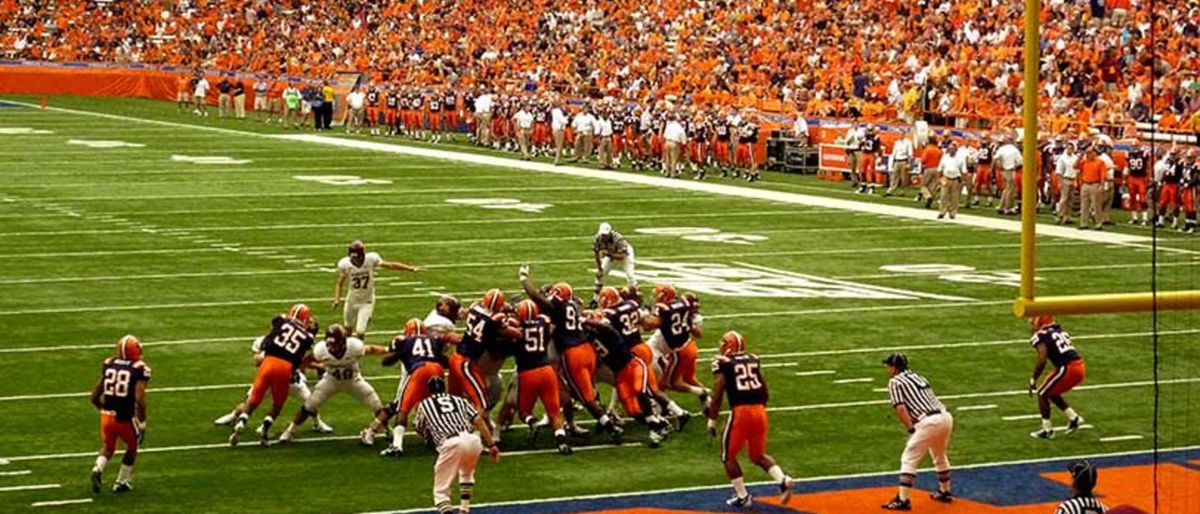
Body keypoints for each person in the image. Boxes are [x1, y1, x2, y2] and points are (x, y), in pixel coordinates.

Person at [518, 266, 624, 441]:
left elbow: (537, 299)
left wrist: (524, 279)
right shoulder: (573, 305)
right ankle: (604, 420)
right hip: (587, 350)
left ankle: (610, 426)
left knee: (584, 396)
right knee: (588, 391)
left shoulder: (556, 306)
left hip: (572, 353)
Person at [705, 331, 795, 508]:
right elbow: (764, 386)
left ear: (727, 345)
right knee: (757, 455)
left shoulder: (723, 362)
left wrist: (712, 419)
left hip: (741, 411)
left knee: (727, 455)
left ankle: (743, 496)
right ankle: (782, 479)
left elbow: (718, 390)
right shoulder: (753, 358)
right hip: (760, 410)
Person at [278, 325, 389, 443]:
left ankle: (388, 429)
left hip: (353, 381)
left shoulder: (354, 346)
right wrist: (296, 368)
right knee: (309, 405)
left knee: (376, 405)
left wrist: (388, 350)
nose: (333, 347)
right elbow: (308, 360)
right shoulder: (321, 349)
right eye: (330, 344)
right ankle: (290, 430)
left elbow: (370, 349)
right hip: (331, 381)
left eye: (336, 344)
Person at [227, 304, 318, 447]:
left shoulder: (280, 320)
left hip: (268, 362)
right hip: (285, 367)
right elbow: (302, 359)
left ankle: (242, 420)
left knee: (255, 397)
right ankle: (264, 428)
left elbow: (271, 334)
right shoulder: (308, 338)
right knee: (277, 404)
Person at [414, 376, 501, 514]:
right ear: (445, 388)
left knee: (440, 491)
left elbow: (419, 427)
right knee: (466, 474)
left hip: (451, 442)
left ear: (429, 391)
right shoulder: (460, 400)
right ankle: (465, 509)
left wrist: (430, 435)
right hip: (473, 440)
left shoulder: (425, 404)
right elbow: (478, 420)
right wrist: (491, 445)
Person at [881, 352, 954, 510]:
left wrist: (910, 428)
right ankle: (945, 491)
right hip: (945, 417)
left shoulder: (895, 382)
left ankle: (903, 500)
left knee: (909, 458)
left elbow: (900, 407)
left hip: (928, 421)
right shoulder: (919, 377)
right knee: (940, 454)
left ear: (894, 368)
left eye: (888, 366)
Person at [371, 319, 451, 457]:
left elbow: (387, 361)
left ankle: (397, 446)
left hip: (419, 370)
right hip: (436, 369)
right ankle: (441, 439)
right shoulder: (433, 339)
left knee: (403, 408)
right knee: (436, 405)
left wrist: (400, 354)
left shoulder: (404, 341)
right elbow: (444, 361)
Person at [505, 300, 572, 454]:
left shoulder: (517, 328)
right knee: (554, 411)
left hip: (527, 373)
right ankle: (561, 441)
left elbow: (509, 344)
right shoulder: (544, 323)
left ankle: (532, 421)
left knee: (524, 412)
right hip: (546, 370)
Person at [90, 335, 150, 494]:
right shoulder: (138, 368)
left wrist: (103, 408)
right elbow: (140, 399)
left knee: (108, 447)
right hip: (125, 416)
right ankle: (121, 482)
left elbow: (94, 396)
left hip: (106, 415)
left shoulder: (109, 363)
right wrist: (142, 421)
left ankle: (98, 468)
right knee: (132, 447)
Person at [332, 240, 424, 339]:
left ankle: (358, 349)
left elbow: (390, 265)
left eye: (358, 258)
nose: (356, 261)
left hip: (366, 301)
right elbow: (340, 282)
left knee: (360, 332)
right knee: (347, 329)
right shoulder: (345, 264)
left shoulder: (371, 259)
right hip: (352, 300)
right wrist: (337, 298)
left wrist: (410, 268)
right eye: (354, 259)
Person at [1028, 316, 1086, 439]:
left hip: (1068, 368)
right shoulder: (1059, 331)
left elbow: (1042, 358)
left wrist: (1034, 378)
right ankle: (1074, 418)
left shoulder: (1041, 335)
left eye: (1035, 319)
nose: (1032, 321)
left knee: (1042, 393)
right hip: (1078, 366)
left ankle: (1047, 430)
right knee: (1050, 392)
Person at [592, 222, 636, 302]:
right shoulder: (598, 238)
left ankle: (635, 297)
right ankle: (595, 299)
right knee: (600, 275)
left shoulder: (618, 239)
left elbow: (622, 256)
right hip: (611, 253)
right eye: (602, 235)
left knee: (630, 275)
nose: (604, 237)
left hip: (625, 255)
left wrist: (608, 254)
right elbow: (596, 253)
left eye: (605, 235)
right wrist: (599, 269)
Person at [1076, 146, 1108, 230]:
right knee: (1084, 205)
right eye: (1087, 153)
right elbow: (1075, 166)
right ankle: (1084, 223)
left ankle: (1098, 223)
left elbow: (1103, 175)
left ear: (1094, 153)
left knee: (1096, 205)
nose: (1088, 155)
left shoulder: (1100, 162)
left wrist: (1102, 185)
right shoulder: (1084, 161)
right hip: (1085, 184)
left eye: (1089, 153)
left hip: (1095, 184)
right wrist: (1078, 158)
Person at [937, 141, 966, 220]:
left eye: (953, 149)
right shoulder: (944, 157)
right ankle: (942, 212)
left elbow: (963, 170)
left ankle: (952, 213)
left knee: (954, 197)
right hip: (946, 178)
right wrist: (940, 179)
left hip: (955, 179)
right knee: (943, 196)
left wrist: (963, 181)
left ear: (956, 150)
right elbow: (940, 168)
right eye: (950, 149)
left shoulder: (960, 158)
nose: (951, 150)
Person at [994, 136, 1023, 215]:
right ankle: (1008, 208)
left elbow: (996, 159)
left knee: (1006, 189)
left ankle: (1001, 206)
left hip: (1003, 171)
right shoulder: (1014, 150)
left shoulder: (1002, 149)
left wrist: (999, 166)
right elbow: (1020, 162)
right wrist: (1015, 166)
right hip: (1010, 170)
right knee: (1010, 190)